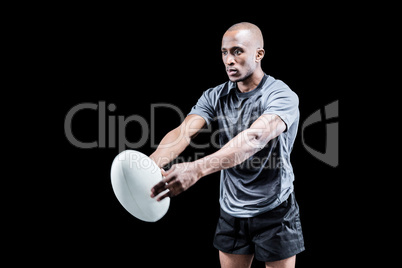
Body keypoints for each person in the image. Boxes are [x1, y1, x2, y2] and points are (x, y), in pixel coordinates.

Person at [149, 22, 304, 268]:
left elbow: (255, 138)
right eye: (224, 52)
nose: (228, 60)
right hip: (232, 209)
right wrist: (150, 164)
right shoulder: (215, 95)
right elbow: (183, 133)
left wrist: (197, 169)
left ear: (258, 54)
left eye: (237, 51)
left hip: (275, 207)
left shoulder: (280, 95)